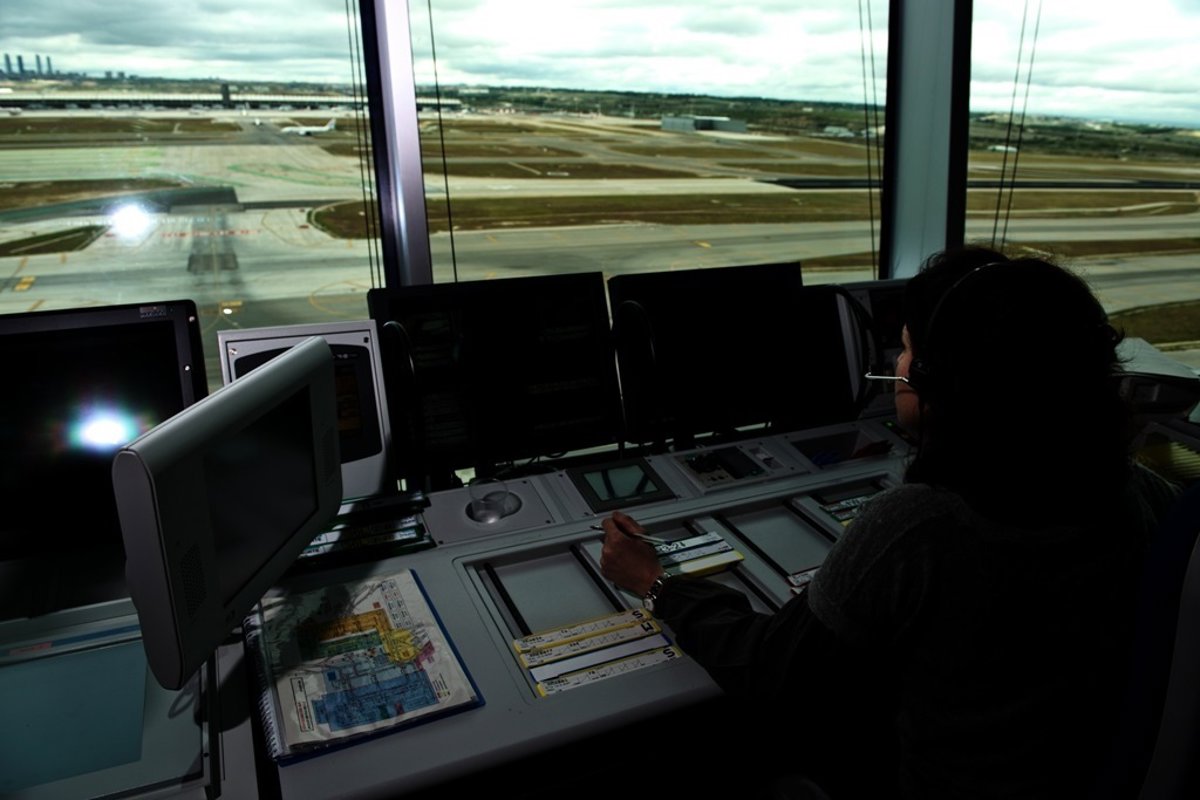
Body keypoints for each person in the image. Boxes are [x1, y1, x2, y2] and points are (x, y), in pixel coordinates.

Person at [599, 246, 1181, 799]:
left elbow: (771, 669)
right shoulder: (1145, 496)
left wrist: (657, 582)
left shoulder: (919, 526)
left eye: (905, 350)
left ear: (936, 377)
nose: (896, 366)